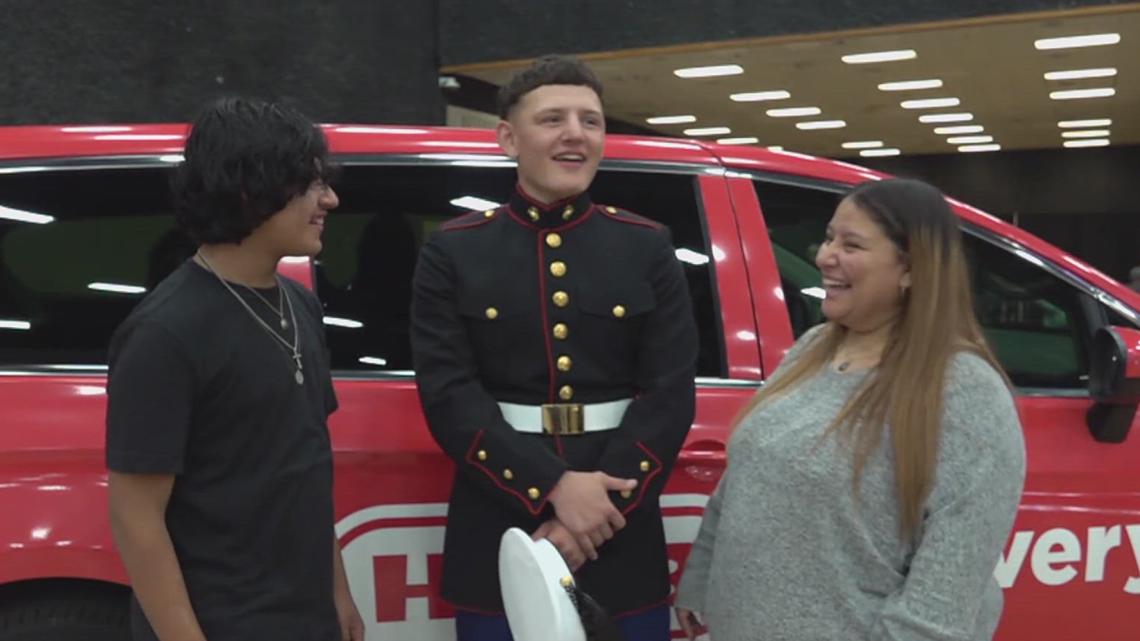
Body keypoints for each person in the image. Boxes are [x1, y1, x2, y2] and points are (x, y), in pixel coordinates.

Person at [411, 54, 698, 641]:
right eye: (553, 120)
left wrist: (591, 514)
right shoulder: (454, 252)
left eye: (591, 121)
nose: (575, 134)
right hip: (503, 523)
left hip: (620, 526)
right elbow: (449, 396)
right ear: (507, 138)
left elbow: (669, 394)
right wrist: (553, 488)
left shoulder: (645, 247)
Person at [675, 178, 1026, 641]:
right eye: (828, 237)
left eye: (852, 244)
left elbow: (941, 601)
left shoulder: (964, 392)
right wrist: (701, 581)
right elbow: (743, 480)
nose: (823, 257)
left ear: (910, 269)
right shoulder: (814, 347)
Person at [105, 97, 364, 641]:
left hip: (304, 614)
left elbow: (307, 469)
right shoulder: (165, 332)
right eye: (312, 184)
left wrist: (337, 592)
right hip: (219, 621)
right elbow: (137, 516)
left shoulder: (301, 305)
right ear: (252, 189)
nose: (331, 199)